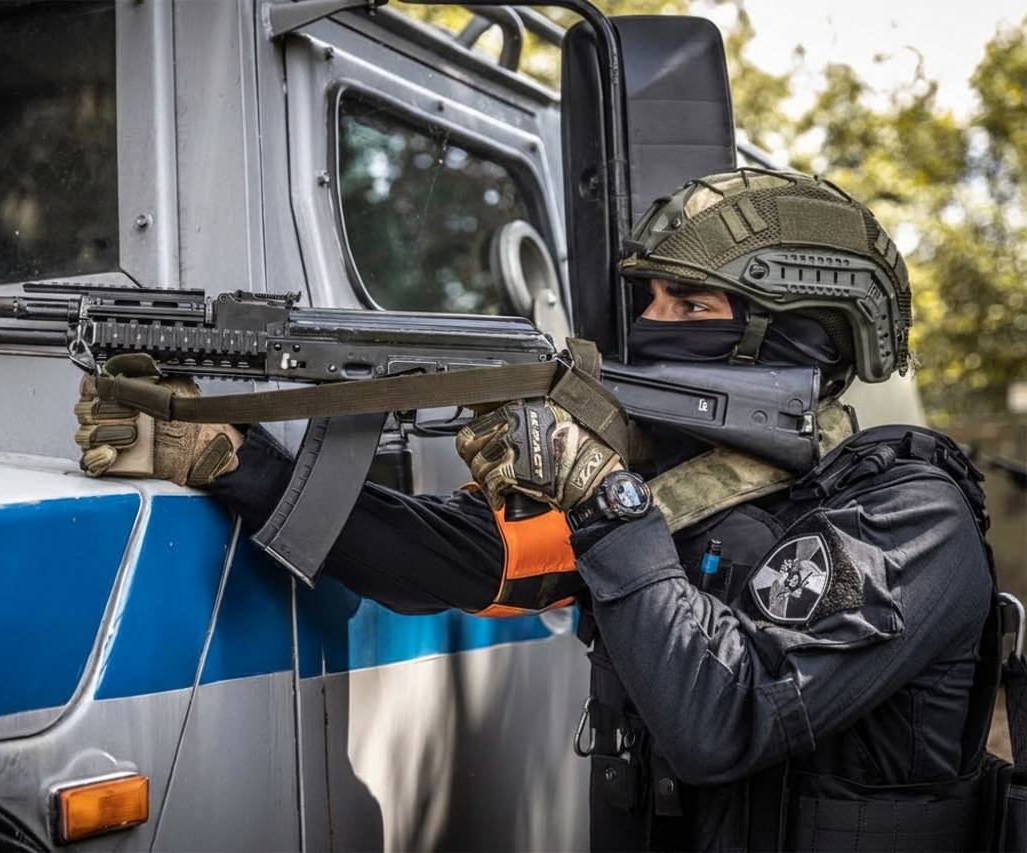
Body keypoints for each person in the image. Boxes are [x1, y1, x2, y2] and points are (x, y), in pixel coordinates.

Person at [73, 170, 1001, 850]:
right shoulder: (680, 491)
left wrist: (603, 492)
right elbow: (440, 561)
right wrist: (234, 459)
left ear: (799, 330)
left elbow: (723, 720)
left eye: (690, 303)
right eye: (650, 299)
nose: (653, 324)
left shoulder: (911, 518)